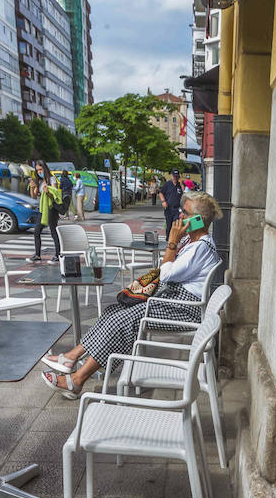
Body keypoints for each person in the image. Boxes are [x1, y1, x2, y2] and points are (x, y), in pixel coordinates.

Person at [41, 191, 222, 397]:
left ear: (197, 220)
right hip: (173, 301)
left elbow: (165, 274)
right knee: (115, 311)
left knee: (124, 320)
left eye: (185, 213)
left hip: (184, 309)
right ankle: (72, 357)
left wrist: (172, 242)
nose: (179, 216)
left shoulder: (200, 247)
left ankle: (77, 379)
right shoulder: (194, 243)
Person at [30, 160, 62, 261]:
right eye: (37, 170)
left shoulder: (52, 180)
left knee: (53, 231)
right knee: (37, 231)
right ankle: (38, 254)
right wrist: (32, 187)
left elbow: (55, 195)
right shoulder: (38, 182)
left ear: (45, 168)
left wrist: (47, 192)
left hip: (51, 209)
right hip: (42, 209)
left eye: (40, 169)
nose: (39, 172)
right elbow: (34, 196)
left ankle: (58, 254)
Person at [159, 170, 182, 237]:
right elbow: (161, 193)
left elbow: (182, 196)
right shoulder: (167, 184)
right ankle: (168, 239)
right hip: (168, 208)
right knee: (169, 225)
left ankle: (174, 239)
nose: (175, 178)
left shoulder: (179, 185)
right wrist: (163, 201)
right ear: (172, 176)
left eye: (177, 176)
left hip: (177, 209)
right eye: (174, 176)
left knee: (176, 225)